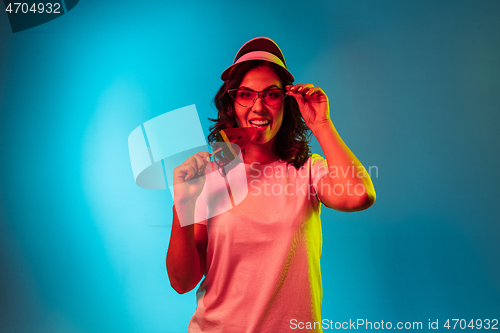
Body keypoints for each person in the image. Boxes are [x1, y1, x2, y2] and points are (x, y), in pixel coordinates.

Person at [166, 37, 376, 333]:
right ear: (232, 102)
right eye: (246, 94)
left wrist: (322, 124)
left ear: (286, 102)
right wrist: (182, 205)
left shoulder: (308, 169)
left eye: (271, 95)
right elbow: (182, 282)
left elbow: (359, 195)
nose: (259, 107)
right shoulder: (209, 178)